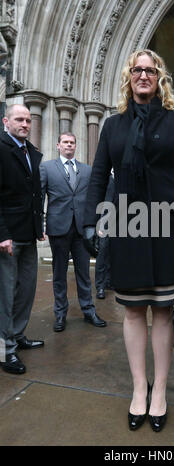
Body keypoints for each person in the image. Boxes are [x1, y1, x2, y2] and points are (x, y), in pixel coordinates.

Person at [83, 49, 174, 432]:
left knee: (164, 311)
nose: (144, 75)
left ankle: (160, 390)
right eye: (137, 70)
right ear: (129, 77)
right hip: (127, 225)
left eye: (150, 70)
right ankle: (139, 388)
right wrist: (91, 223)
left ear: (160, 78)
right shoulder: (113, 126)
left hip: (168, 226)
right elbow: (99, 176)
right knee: (134, 311)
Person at [40, 132, 107, 332]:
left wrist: (94, 225)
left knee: (84, 273)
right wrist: (39, 225)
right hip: (58, 228)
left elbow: (93, 199)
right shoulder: (47, 168)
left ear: (76, 146)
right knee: (59, 273)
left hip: (81, 230)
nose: (69, 145)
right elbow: (40, 196)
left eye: (72, 142)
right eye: (65, 142)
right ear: (58, 145)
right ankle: (60, 314)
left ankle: (88, 310)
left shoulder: (87, 170)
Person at [0, 104, 45, 375]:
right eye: (19, 119)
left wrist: (39, 226)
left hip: (28, 233)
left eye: (28, 120)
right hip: (9, 237)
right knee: (6, 294)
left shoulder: (31, 152)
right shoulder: (2, 148)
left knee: (26, 289)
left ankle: (16, 336)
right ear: (6, 121)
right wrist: (2, 234)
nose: (25, 124)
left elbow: (34, 194)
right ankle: (5, 351)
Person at [95, 172, 115, 299]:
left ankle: (109, 282)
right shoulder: (104, 177)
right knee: (102, 253)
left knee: (114, 253)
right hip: (104, 221)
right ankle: (100, 286)